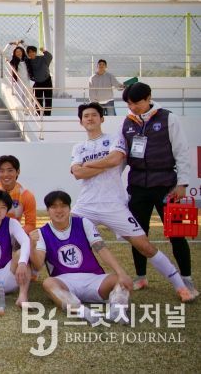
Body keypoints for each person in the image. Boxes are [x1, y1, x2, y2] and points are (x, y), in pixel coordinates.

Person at [77, 96, 197, 300]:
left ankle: (185, 282)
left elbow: (116, 159)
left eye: (136, 103)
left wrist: (182, 183)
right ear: (81, 121)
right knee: (139, 237)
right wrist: (104, 165)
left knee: (174, 235)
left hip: (166, 187)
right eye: (129, 104)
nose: (132, 107)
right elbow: (79, 172)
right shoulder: (126, 124)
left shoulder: (168, 118)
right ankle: (140, 276)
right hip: (137, 189)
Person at [30, 190, 132, 325]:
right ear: (48, 210)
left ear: (69, 208)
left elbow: (101, 249)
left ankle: (117, 311)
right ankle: (83, 312)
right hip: (65, 282)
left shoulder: (83, 223)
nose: (59, 210)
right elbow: (37, 265)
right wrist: (32, 245)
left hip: (93, 278)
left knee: (120, 279)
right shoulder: (42, 233)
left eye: (63, 206)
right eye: (54, 207)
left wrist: (121, 273)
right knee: (48, 282)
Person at [26, 45, 53, 116]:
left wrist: (44, 51)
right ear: (28, 54)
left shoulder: (42, 58)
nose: (31, 53)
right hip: (37, 82)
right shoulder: (28, 62)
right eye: (29, 52)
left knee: (48, 99)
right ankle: (38, 115)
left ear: (36, 52)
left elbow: (50, 56)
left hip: (47, 80)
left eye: (33, 52)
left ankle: (47, 115)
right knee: (38, 100)